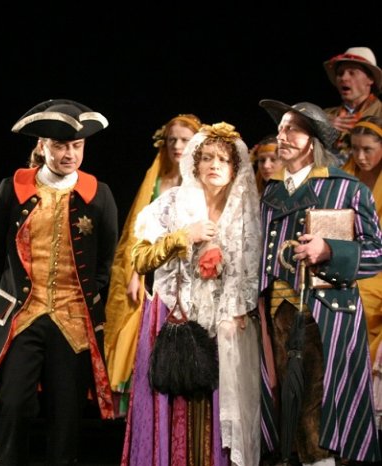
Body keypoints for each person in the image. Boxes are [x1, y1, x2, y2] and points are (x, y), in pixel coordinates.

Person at [0, 98, 118, 466]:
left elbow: (105, 260)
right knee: (15, 402)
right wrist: (5, 294)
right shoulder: (13, 189)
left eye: (77, 146)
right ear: (42, 146)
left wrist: (86, 296)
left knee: (66, 414)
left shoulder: (98, 194)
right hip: (24, 315)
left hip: (73, 318)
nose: (70, 154)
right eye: (60, 146)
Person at [121, 122, 262, 466]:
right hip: (174, 317)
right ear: (195, 163)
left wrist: (240, 307)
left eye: (223, 160)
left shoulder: (247, 214)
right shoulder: (171, 204)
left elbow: (254, 271)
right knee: (174, 401)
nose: (215, 165)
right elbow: (140, 258)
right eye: (207, 158)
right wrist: (183, 236)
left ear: (235, 168)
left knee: (218, 407)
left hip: (224, 326)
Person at [258, 99, 382, 465]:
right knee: (288, 403)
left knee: (320, 402)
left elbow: (376, 253)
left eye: (292, 129)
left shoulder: (346, 188)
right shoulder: (271, 192)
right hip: (277, 312)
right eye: (280, 129)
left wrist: (329, 249)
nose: (282, 136)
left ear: (312, 141)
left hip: (327, 311)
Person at [104, 114, 202, 417]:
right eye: (172, 139)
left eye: (184, 140)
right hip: (156, 268)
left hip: (191, 269)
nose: (177, 146)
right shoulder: (158, 180)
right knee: (139, 329)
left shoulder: (202, 182)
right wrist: (136, 273)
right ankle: (138, 408)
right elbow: (140, 232)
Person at [342, 115, 382, 433]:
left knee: (364, 304)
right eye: (355, 149)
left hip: (378, 266)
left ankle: (367, 395)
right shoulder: (346, 176)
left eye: (368, 149)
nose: (360, 156)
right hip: (351, 261)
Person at [322, 46, 382, 162]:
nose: (343, 78)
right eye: (340, 73)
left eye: (352, 73)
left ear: (370, 79)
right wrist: (322, 128)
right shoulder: (324, 115)